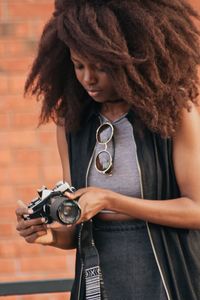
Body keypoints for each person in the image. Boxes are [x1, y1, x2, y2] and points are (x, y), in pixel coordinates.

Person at [15, 0, 200, 299]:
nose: (88, 78)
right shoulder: (72, 122)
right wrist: (47, 234)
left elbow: (196, 209)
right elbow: (75, 229)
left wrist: (109, 199)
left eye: (101, 67)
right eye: (79, 65)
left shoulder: (174, 114)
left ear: (133, 58)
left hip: (168, 278)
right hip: (98, 282)